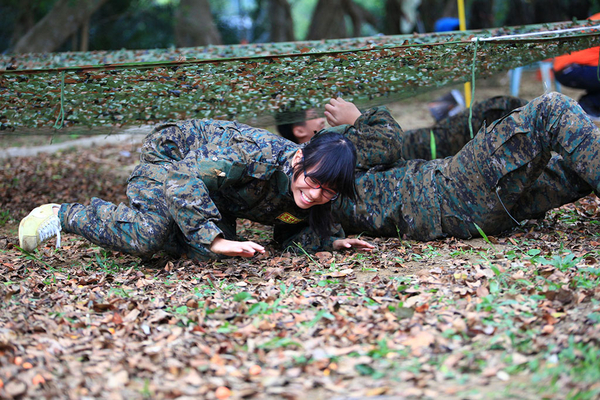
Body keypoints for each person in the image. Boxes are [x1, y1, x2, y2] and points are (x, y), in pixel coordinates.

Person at [19, 118, 374, 260]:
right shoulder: (252, 158)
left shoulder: (309, 188)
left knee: (208, 258)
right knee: (149, 236)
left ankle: (180, 232)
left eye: (328, 192)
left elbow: (290, 228)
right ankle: (63, 214)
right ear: (298, 158)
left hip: (214, 191)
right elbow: (180, 181)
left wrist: (330, 240)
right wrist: (215, 237)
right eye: (312, 182)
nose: (314, 195)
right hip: (170, 162)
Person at [325, 92, 600, 241]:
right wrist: (357, 117)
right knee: (550, 110)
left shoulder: (308, 190)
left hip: (464, 218)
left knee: (577, 167)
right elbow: (389, 141)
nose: (323, 122)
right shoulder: (323, 159)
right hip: (452, 192)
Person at [552, 13, 600, 120]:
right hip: (571, 68)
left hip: (570, 68)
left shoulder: (596, 18)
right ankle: (589, 105)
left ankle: (590, 106)